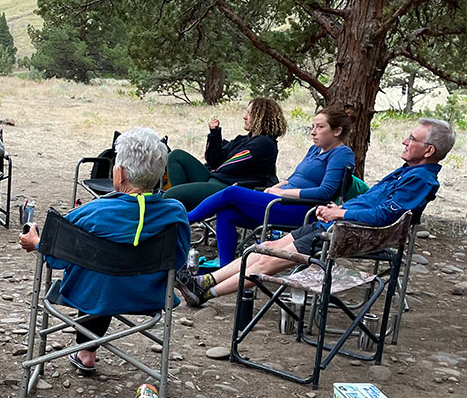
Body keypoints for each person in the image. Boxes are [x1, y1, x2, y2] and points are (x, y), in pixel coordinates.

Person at [177, 118, 456, 307]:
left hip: (347, 232)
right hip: (335, 223)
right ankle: (202, 281)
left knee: (266, 258)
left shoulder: (421, 179)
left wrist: (341, 214)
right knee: (266, 246)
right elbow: (370, 199)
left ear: (428, 150)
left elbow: (385, 216)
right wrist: (341, 209)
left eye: (412, 139)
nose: (405, 142)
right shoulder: (408, 171)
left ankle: (204, 291)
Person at [19, 128, 190, 373]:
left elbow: (54, 255)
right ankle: (88, 353)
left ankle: (86, 352)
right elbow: (179, 258)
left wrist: (35, 242)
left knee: (96, 275)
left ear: (119, 173)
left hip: (96, 295)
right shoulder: (175, 213)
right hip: (148, 295)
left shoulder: (93, 212)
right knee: (105, 273)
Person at [187, 107, 356, 264]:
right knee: (227, 214)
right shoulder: (314, 150)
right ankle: (225, 269)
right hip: (282, 201)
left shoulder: (342, 154)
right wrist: (279, 186)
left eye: (320, 127)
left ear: (337, 131)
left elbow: (324, 192)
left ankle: (185, 219)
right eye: (312, 126)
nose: (313, 132)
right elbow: (296, 179)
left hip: (304, 210)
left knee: (232, 192)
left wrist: (283, 194)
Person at [164, 97, 288, 211]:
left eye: (249, 114)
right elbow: (215, 161)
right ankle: (185, 207)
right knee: (176, 156)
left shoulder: (264, 144)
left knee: (171, 195)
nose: (244, 117)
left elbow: (230, 165)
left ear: (261, 118)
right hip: (215, 180)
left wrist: (212, 168)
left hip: (228, 188)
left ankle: (182, 208)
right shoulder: (243, 140)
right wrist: (214, 134)